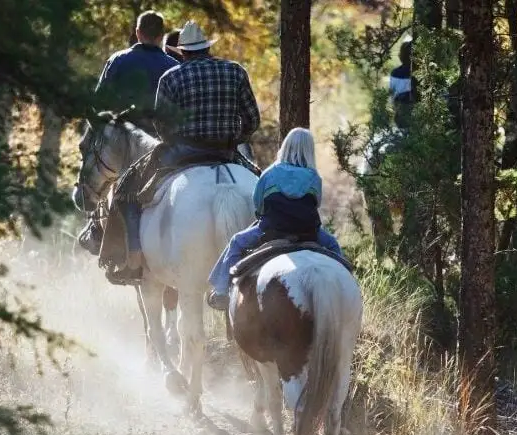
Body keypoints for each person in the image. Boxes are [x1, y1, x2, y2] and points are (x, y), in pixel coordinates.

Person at [107, 19, 262, 285]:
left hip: (184, 153)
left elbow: (161, 124)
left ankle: (133, 260)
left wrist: (175, 140)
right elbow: (252, 120)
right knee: (263, 188)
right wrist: (234, 139)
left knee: (126, 192)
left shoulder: (172, 76)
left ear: (184, 52)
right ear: (207, 49)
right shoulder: (236, 72)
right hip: (226, 152)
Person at [205, 128, 343, 311]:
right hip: (308, 232)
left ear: (285, 146)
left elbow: (258, 204)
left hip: (271, 229)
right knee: (333, 246)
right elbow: (315, 204)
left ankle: (222, 290)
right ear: (310, 150)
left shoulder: (270, 173)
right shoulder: (314, 177)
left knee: (236, 242)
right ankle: (343, 289)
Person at [94, 11, 180, 134]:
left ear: (138, 33)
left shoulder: (117, 60)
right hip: (160, 143)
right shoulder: (175, 67)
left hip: (120, 140)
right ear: (161, 35)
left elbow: (99, 102)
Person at [389, 39, 414, 130]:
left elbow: (392, 95)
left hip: (400, 114)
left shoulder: (395, 73)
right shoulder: (419, 72)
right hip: (411, 112)